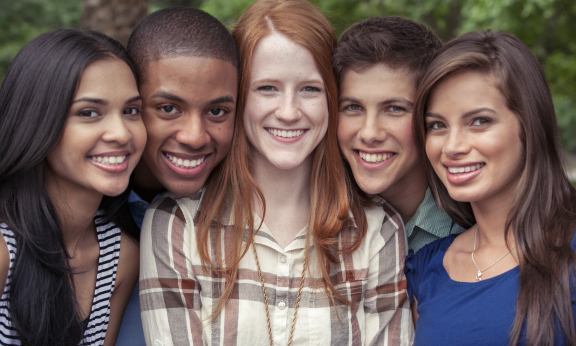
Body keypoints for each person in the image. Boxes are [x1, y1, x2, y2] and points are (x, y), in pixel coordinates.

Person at [139, 0, 412, 345]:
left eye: (310, 89)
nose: (288, 112)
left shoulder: (378, 230)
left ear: (331, 96)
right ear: (238, 96)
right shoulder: (176, 223)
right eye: (267, 87)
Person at [407, 30, 576, 345]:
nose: (452, 146)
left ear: (529, 124)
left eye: (480, 121)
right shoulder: (427, 268)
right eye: (437, 125)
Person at [0, 29, 146, 345]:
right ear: (36, 121)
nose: (121, 133)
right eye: (89, 112)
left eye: (131, 111)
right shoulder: (3, 251)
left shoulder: (120, 256)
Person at [116, 8, 240, 345]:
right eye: (169, 108)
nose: (195, 136)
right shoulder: (81, 208)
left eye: (217, 111)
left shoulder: (251, 217)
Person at [333, 16, 465, 254]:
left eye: (394, 109)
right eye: (353, 107)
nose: (370, 133)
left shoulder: (474, 224)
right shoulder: (316, 215)